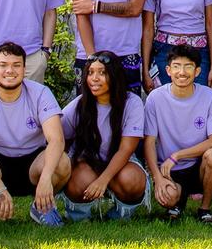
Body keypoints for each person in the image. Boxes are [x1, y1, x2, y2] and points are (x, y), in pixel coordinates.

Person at [0, 42, 68, 228]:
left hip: (34, 160)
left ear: (24, 69)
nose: (10, 70)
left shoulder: (41, 93)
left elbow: (56, 139)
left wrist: (45, 179)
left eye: (16, 65)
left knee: (62, 163)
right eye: (3, 65)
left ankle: (42, 205)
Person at [59, 52, 148, 222]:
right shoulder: (80, 103)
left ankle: (120, 216)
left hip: (121, 163)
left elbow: (126, 149)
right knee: (79, 178)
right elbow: (57, 134)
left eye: (102, 72)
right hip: (88, 162)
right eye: (90, 73)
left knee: (133, 180)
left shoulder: (132, 102)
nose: (94, 78)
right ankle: (79, 215)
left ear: (114, 75)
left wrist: (103, 180)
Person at [143, 45, 212, 223]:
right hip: (169, 169)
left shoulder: (209, 96)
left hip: (198, 166)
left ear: (197, 71)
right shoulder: (155, 98)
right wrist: (157, 178)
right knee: (169, 197)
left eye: (188, 66)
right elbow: (149, 142)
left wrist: (178, 155)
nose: (182, 72)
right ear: (168, 70)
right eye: (176, 66)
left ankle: (204, 209)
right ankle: (176, 204)